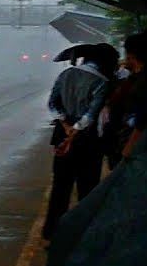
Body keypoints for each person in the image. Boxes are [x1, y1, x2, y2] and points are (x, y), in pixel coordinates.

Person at [45, 43, 116, 240]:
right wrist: (75, 131)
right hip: (88, 141)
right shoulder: (102, 81)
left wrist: (66, 127)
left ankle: (52, 232)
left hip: (61, 138)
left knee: (60, 186)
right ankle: (81, 234)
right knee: (87, 188)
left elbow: (52, 104)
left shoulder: (65, 74)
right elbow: (90, 115)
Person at [100, 31, 147, 169]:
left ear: (131, 55)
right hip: (146, 150)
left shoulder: (140, 83)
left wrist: (126, 151)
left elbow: (140, 120)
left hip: (132, 151)